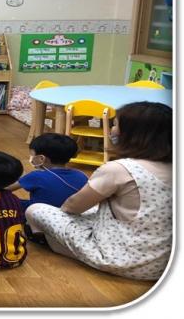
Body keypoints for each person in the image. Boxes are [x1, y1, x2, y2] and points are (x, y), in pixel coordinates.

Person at [25, 102, 172, 280]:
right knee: (96, 210)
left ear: (132, 134)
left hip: (123, 262)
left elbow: (72, 206)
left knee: (35, 210)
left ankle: (52, 242)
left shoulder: (119, 169)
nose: (112, 130)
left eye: (115, 125)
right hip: (165, 264)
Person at [6, 133, 88, 209]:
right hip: (70, 214)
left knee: (6, 201)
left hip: (40, 215)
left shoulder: (36, 176)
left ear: (41, 158)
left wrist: (21, 178)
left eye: (32, 155)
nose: (31, 158)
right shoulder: (81, 175)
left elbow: (6, 188)